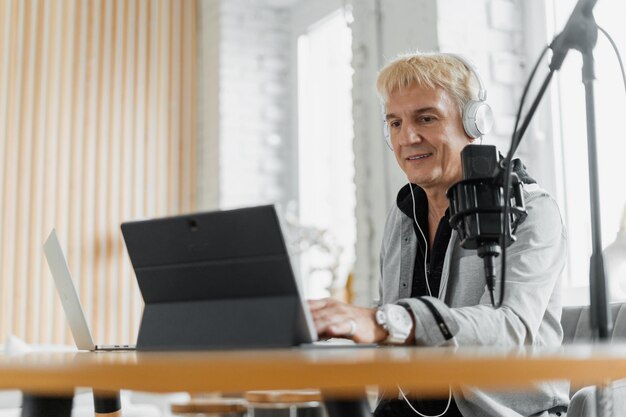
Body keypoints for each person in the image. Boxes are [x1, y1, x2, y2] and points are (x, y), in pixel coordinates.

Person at [308, 52, 569, 416]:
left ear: (473, 122)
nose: (407, 137)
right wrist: (331, 324)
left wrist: (383, 321)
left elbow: (512, 328)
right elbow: (395, 328)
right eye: (395, 123)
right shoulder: (403, 215)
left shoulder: (532, 210)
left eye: (425, 118)